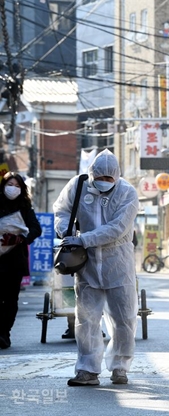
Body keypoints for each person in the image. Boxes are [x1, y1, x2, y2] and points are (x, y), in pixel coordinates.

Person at [53, 150, 139, 386]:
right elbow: (60, 209)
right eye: (98, 177)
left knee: (124, 318)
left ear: (117, 177)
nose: (103, 182)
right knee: (86, 319)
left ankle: (120, 366)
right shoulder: (78, 186)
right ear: (91, 174)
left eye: (109, 178)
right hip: (87, 263)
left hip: (118, 262)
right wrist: (66, 231)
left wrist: (83, 239)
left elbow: (118, 228)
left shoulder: (128, 193)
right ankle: (87, 369)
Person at [0, 172, 42, 349]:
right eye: (10, 184)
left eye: (17, 185)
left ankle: (4, 333)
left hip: (15, 259)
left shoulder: (25, 207)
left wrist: (20, 239)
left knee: (11, 299)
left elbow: (36, 229)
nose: (13, 188)